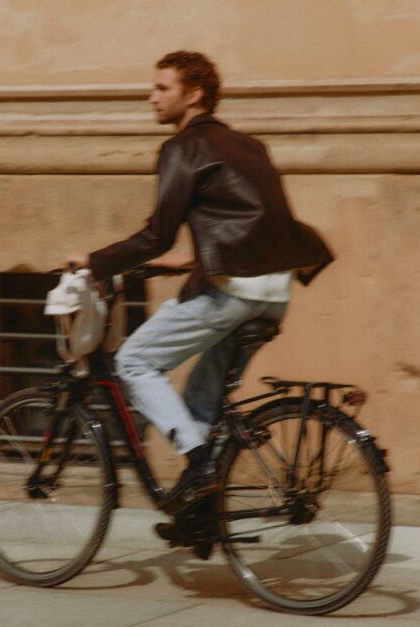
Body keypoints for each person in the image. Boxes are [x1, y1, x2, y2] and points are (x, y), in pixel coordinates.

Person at [65, 51, 333, 515]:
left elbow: (155, 235)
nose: (151, 98)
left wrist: (94, 262)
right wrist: (191, 260)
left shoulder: (182, 148)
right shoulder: (251, 146)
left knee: (134, 361)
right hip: (273, 294)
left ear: (193, 95)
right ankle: (200, 515)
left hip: (231, 293)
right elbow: (255, 222)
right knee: (199, 400)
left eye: (161, 89)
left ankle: (199, 465)